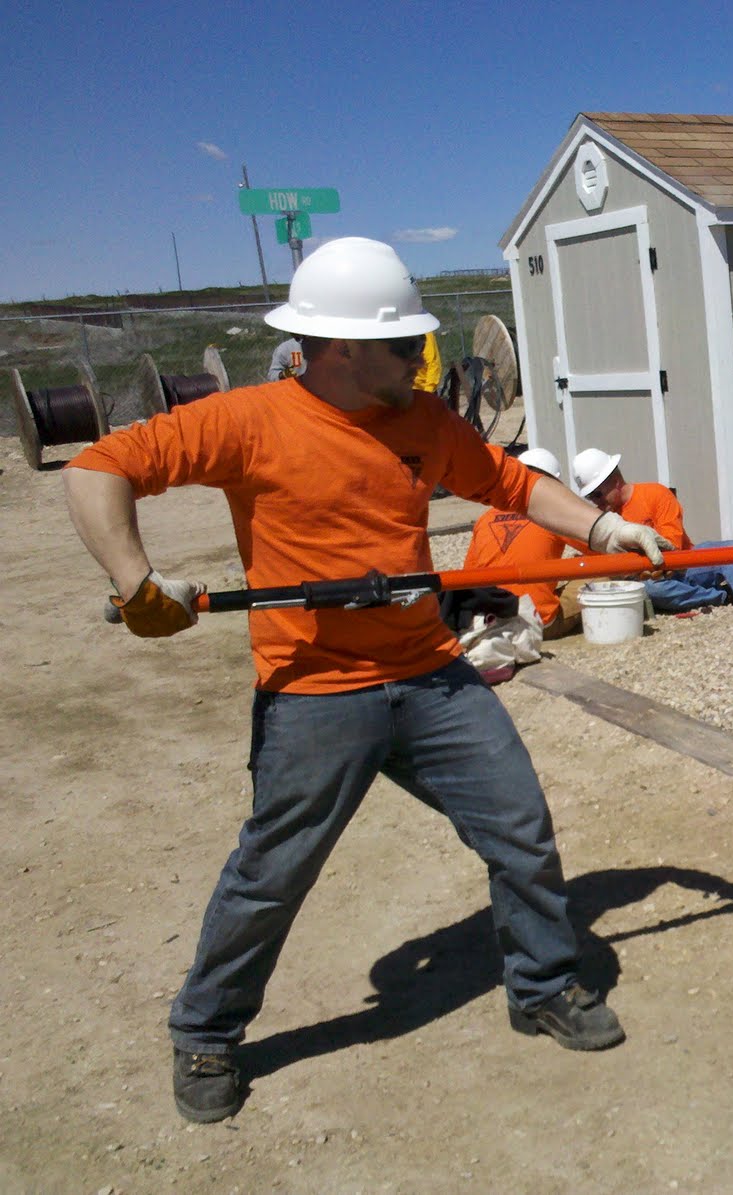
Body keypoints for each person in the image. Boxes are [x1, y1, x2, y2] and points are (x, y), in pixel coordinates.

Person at [61, 237, 673, 1125]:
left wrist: (603, 532)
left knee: (520, 830)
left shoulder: (422, 421)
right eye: (404, 346)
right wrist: (135, 580)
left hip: (429, 674)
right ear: (343, 346)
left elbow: (511, 483)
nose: (421, 362)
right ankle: (206, 1029)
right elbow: (96, 469)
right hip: (313, 688)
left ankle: (541, 985)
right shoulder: (248, 420)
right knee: (274, 870)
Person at [570, 447, 733, 619]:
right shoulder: (601, 522)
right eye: (590, 497)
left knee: (732, 548)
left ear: (616, 482)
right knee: (650, 590)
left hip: (684, 564)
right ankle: (722, 596)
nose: (595, 503)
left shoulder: (654, 494)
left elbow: (673, 543)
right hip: (647, 581)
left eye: (598, 494)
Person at [451, 447, 585, 683]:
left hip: (487, 620)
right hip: (535, 621)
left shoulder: (485, 519)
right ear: (550, 483)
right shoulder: (552, 513)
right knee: (595, 575)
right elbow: (596, 546)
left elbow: (468, 576)